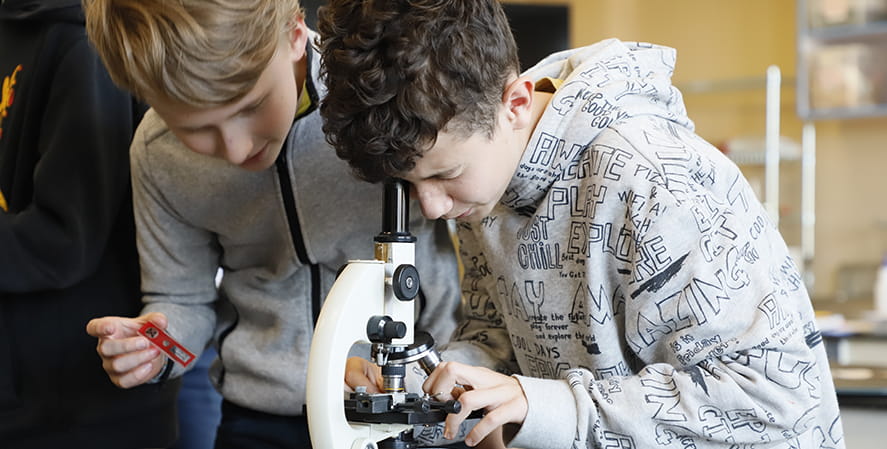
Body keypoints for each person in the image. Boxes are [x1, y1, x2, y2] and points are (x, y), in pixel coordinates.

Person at [317, 1, 846, 448]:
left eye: (446, 174)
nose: (430, 208)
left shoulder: (657, 178)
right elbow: (498, 337)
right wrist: (423, 383)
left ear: (515, 102)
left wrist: (551, 406)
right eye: (410, 185)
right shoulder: (483, 189)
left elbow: (772, 401)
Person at [80, 0, 462, 448]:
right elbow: (179, 297)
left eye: (251, 105)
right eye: (196, 129)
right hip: (260, 421)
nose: (237, 150)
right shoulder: (157, 153)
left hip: (410, 401)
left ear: (295, 33)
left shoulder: (385, 96)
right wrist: (155, 345)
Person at [0, 0, 180, 448]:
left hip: (80, 403)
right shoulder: (14, 27)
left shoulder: (84, 45)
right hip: (24, 392)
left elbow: (65, 240)